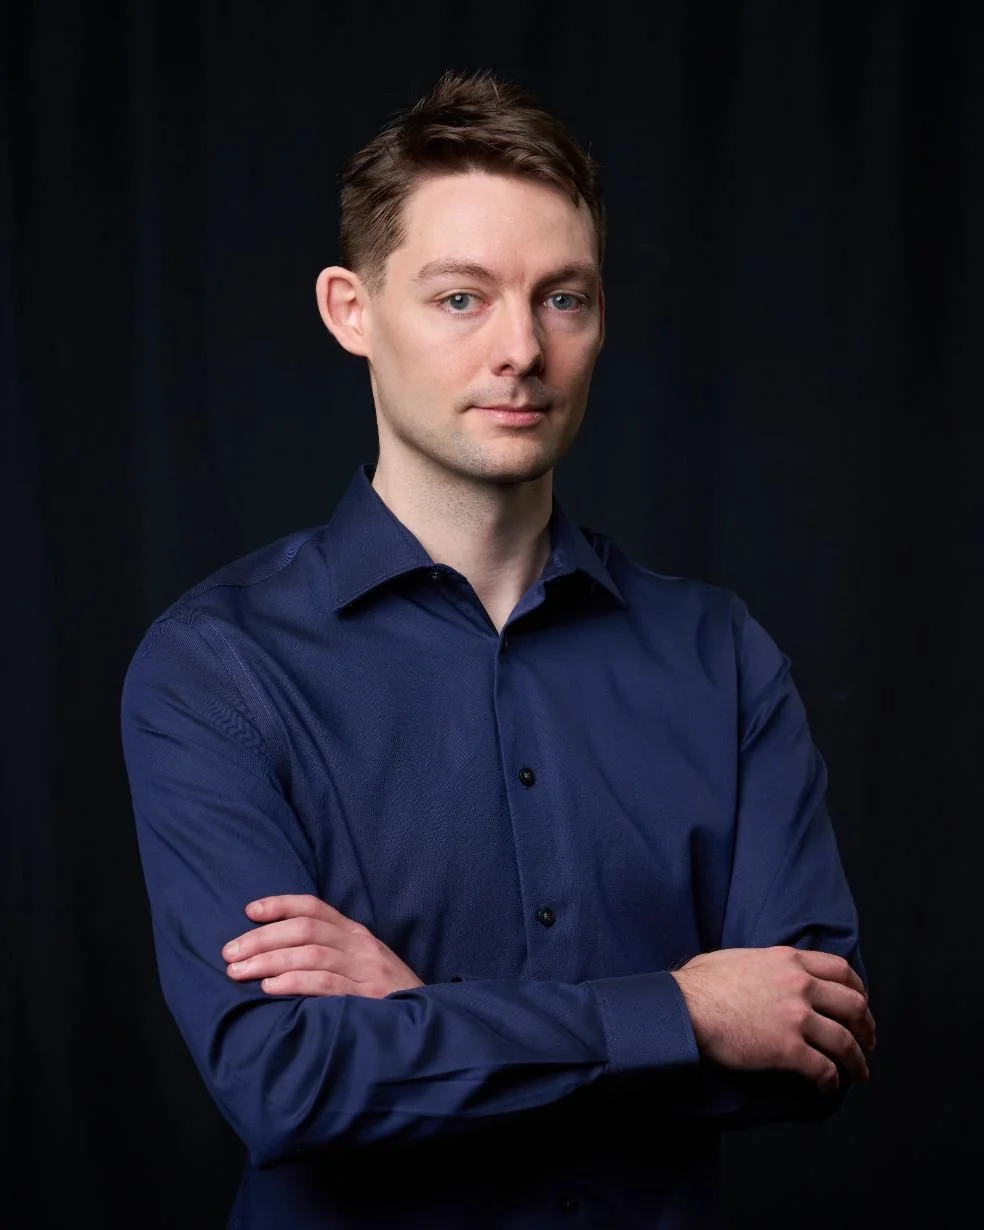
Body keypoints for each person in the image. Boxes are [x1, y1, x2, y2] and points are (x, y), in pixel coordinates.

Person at [120, 69, 876, 1230]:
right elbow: (287, 1082)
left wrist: (418, 1017)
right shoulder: (216, 671)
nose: (522, 349)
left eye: (562, 298)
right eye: (462, 299)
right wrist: (679, 1014)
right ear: (350, 309)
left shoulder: (719, 656)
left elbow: (808, 1044)